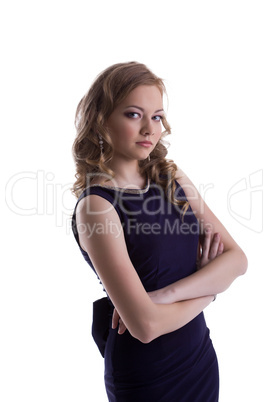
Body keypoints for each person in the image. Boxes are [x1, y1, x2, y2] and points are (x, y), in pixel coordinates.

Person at [71, 62, 247, 402]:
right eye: (135, 114)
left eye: (157, 116)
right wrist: (210, 289)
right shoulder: (97, 207)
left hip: (198, 358)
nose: (150, 129)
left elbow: (238, 260)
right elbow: (145, 326)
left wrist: (165, 296)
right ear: (101, 119)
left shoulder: (173, 177)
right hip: (147, 376)